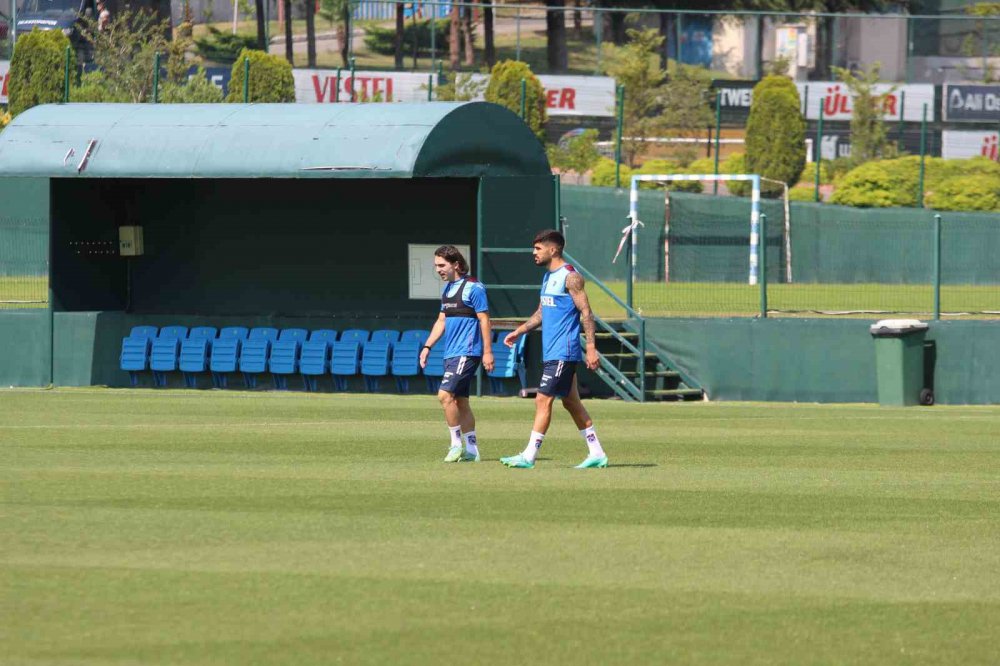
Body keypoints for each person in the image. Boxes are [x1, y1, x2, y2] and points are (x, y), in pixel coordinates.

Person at [500, 230, 607, 469]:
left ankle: (529, 456)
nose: (533, 253)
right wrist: (520, 330)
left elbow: (586, 313)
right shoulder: (548, 277)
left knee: (542, 399)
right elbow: (541, 312)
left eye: (538, 249)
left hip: (563, 351)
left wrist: (590, 347)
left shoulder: (571, 277)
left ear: (553, 249)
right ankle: (597, 452)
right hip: (552, 352)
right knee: (571, 402)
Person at [419, 245, 494, 463]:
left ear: (456, 264)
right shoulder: (447, 290)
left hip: (467, 352)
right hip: (451, 353)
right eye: (436, 266)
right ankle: (472, 451)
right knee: (461, 402)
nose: (438, 270)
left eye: (442, 265)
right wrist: (427, 347)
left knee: (444, 395)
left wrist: (488, 352)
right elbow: (441, 321)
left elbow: (484, 320)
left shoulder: (474, 288)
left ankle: (455, 445)